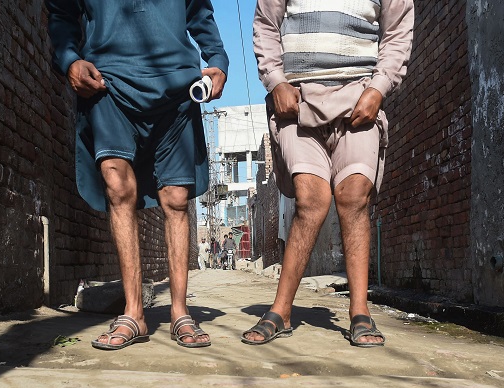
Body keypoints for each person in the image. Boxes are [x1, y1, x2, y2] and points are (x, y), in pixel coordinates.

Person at [46, 0, 229, 350]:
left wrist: (217, 59)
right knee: (117, 185)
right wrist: (70, 59)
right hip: (107, 82)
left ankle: (180, 312)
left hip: (176, 86)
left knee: (176, 198)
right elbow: (62, 11)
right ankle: (134, 313)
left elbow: (200, 12)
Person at [242, 0, 414, 347]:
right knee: (311, 200)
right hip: (297, 102)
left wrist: (378, 89)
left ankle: (360, 312)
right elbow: (265, 24)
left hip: (358, 100)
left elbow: (397, 34)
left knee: (354, 197)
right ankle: (281, 310)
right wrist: (275, 81)